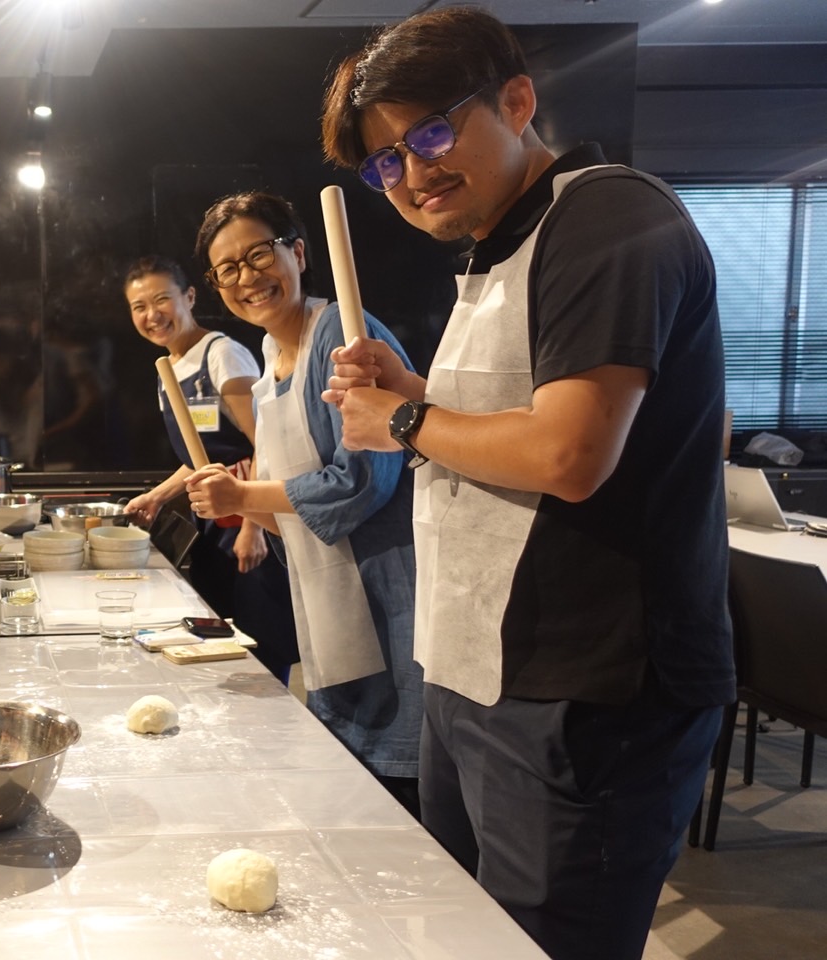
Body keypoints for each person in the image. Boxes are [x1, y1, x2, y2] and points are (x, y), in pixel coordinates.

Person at [318, 8, 733, 959]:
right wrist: (416, 392)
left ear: (516, 100)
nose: (412, 174)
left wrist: (407, 421)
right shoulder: (496, 247)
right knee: (472, 937)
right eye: (385, 161)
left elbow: (569, 455)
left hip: (588, 694)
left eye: (430, 132)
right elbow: (511, 418)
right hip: (474, 666)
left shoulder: (607, 215)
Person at [181, 196, 423, 811]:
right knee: (348, 786)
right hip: (325, 596)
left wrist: (243, 496)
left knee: (399, 796)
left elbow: (364, 480)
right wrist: (234, 504)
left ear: (297, 251)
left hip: (390, 589)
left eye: (258, 253)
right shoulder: (268, 355)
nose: (246, 278)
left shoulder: (341, 336)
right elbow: (289, 499)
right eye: (226, 269)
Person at [120, 255, 299, 682]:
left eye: (162, 299)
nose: (151, 315)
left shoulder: (222, 355)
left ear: (190, 297)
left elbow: (264, 442)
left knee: (260, 643)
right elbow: (199, 458)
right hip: (214, 521)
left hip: (250, 518)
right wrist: (158, 496)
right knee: (215, 640)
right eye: (138, 307)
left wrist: (254, 528)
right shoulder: (168, 368)